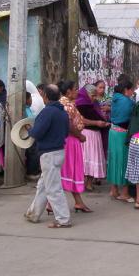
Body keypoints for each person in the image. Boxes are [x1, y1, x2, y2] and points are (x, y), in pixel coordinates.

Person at [24, 84, 72, 228]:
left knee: (52, 188)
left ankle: (63, 219)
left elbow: (37, 133)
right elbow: (65, 132)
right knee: (43, 185)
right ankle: (33, 213)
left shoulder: (47, 112)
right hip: (58, 151)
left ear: (45, 96)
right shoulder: (62, 112)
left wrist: (30, 130)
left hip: (49, 153)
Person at [58, 81, 91, 213]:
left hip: (70, 139)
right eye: (75, 89)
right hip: (70, 140)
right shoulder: (67, 105)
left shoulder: (67, 103)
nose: (77, 92)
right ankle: (51, 203)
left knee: (68, 170)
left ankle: (78, 202)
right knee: (68, 170)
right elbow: (69, 124)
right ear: (68, 92)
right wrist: (80, 136)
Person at [75, 86, 109, 192]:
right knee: (84, 158)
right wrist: (96, 123)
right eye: (92, 95)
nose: (94, 97)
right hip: (85, 133)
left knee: (93, 157)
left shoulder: (94, 103)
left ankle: (89, 183)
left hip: (95, 134)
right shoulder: (80, 104)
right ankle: (81, 182)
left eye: (95, 95)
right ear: (86, 93)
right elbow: (80, 120)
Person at [107, 80, 135, 201]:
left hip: (112, 132)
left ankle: (113, 189)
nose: (133, 92)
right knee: (124, 161)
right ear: (126, 90)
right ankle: (124, 193)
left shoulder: (115, 99)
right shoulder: (127, 102)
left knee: (113, 160)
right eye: (131, 90)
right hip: (122, 134)